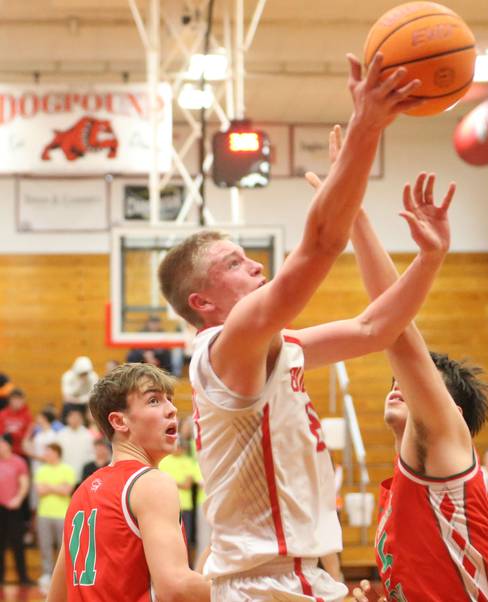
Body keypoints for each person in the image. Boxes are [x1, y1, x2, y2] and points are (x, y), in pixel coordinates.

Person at [158, 54, 430, 601]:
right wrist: (366, 126)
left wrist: (432, 257)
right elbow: (322, 245)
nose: (256, 266)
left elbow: (377, 327)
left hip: (296, 576)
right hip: (265, 583)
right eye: (234, 263)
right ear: (202, 301)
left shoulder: (276, 348)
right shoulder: (225, 346)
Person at [342, 172, 488, 601]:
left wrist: (352, 211)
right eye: (397, 382)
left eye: (414, 384)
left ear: (451, 414)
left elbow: (396, 329)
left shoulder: (447, 447)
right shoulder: (408, 484)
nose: (398, 385)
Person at [46, 363, 209, 601]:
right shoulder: (150, 483)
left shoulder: (82, 492)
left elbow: (56, 597)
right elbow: (176, 588)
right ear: (120, 422)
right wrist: (246, 592)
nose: (172, 409)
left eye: (169, 399)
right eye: (154, 400)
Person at [34, 443, 75, 593]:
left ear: (57, 453)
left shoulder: (67, 469)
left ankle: (64, 576)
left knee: (63, 547)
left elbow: (66, 491)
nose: (46, 454)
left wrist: (49, 487)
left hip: (63, 514)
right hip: (44, 513)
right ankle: (46, 573)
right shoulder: (41, 470)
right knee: (45, 545)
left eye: (49, 451)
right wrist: (57, 487)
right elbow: (40, 490)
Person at [0, 432, 31, 586]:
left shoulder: (18, 462)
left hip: (13, 508)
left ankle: (23, 578)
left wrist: (18, 499)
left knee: (17, 543)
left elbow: (24, 483)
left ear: (8, 445)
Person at [56, 408, 95, 482]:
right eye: (72, 417)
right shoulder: (61, 434)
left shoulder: (88, 435)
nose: (75, 420)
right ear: (67, 419)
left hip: (83, 474)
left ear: (82, 419)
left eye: (77, 417)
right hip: (64, 475)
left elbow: (92, 454)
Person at [61, 356, 99, 421]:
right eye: (82, 374)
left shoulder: (93, 377)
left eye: (86, 373)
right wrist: (80, 383)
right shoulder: (67, 376)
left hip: (87, 404)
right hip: (71, 405)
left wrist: (79, 400)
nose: (84, 375)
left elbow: (93, 395)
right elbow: (66, 397)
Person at [0, 388, 34, 458]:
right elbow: (2, 434)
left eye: (20, 400)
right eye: (15, 399)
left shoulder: (27, 416)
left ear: (23, 401)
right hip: (5, 453)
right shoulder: (3, 414)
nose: (17, 402)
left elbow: (28, 435)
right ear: (10, 400)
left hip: (21, 453)